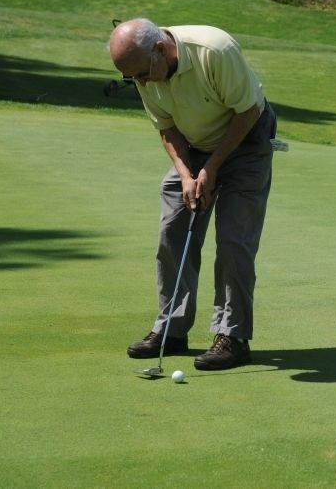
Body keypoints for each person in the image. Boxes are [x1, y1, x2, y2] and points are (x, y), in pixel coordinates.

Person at [109, 18, 276, 370]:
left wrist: (212, 167)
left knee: (234, 241)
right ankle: (172, 328)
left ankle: (233, 337)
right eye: (132, 77)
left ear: (159, 49)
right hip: (194, 143)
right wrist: (187, 174)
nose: (139, 82)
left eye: (141, 74)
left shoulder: (214, 50)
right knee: (173, 227)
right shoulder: (144, 68)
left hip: (246, 140)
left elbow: (248, 111)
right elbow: (166, 127)